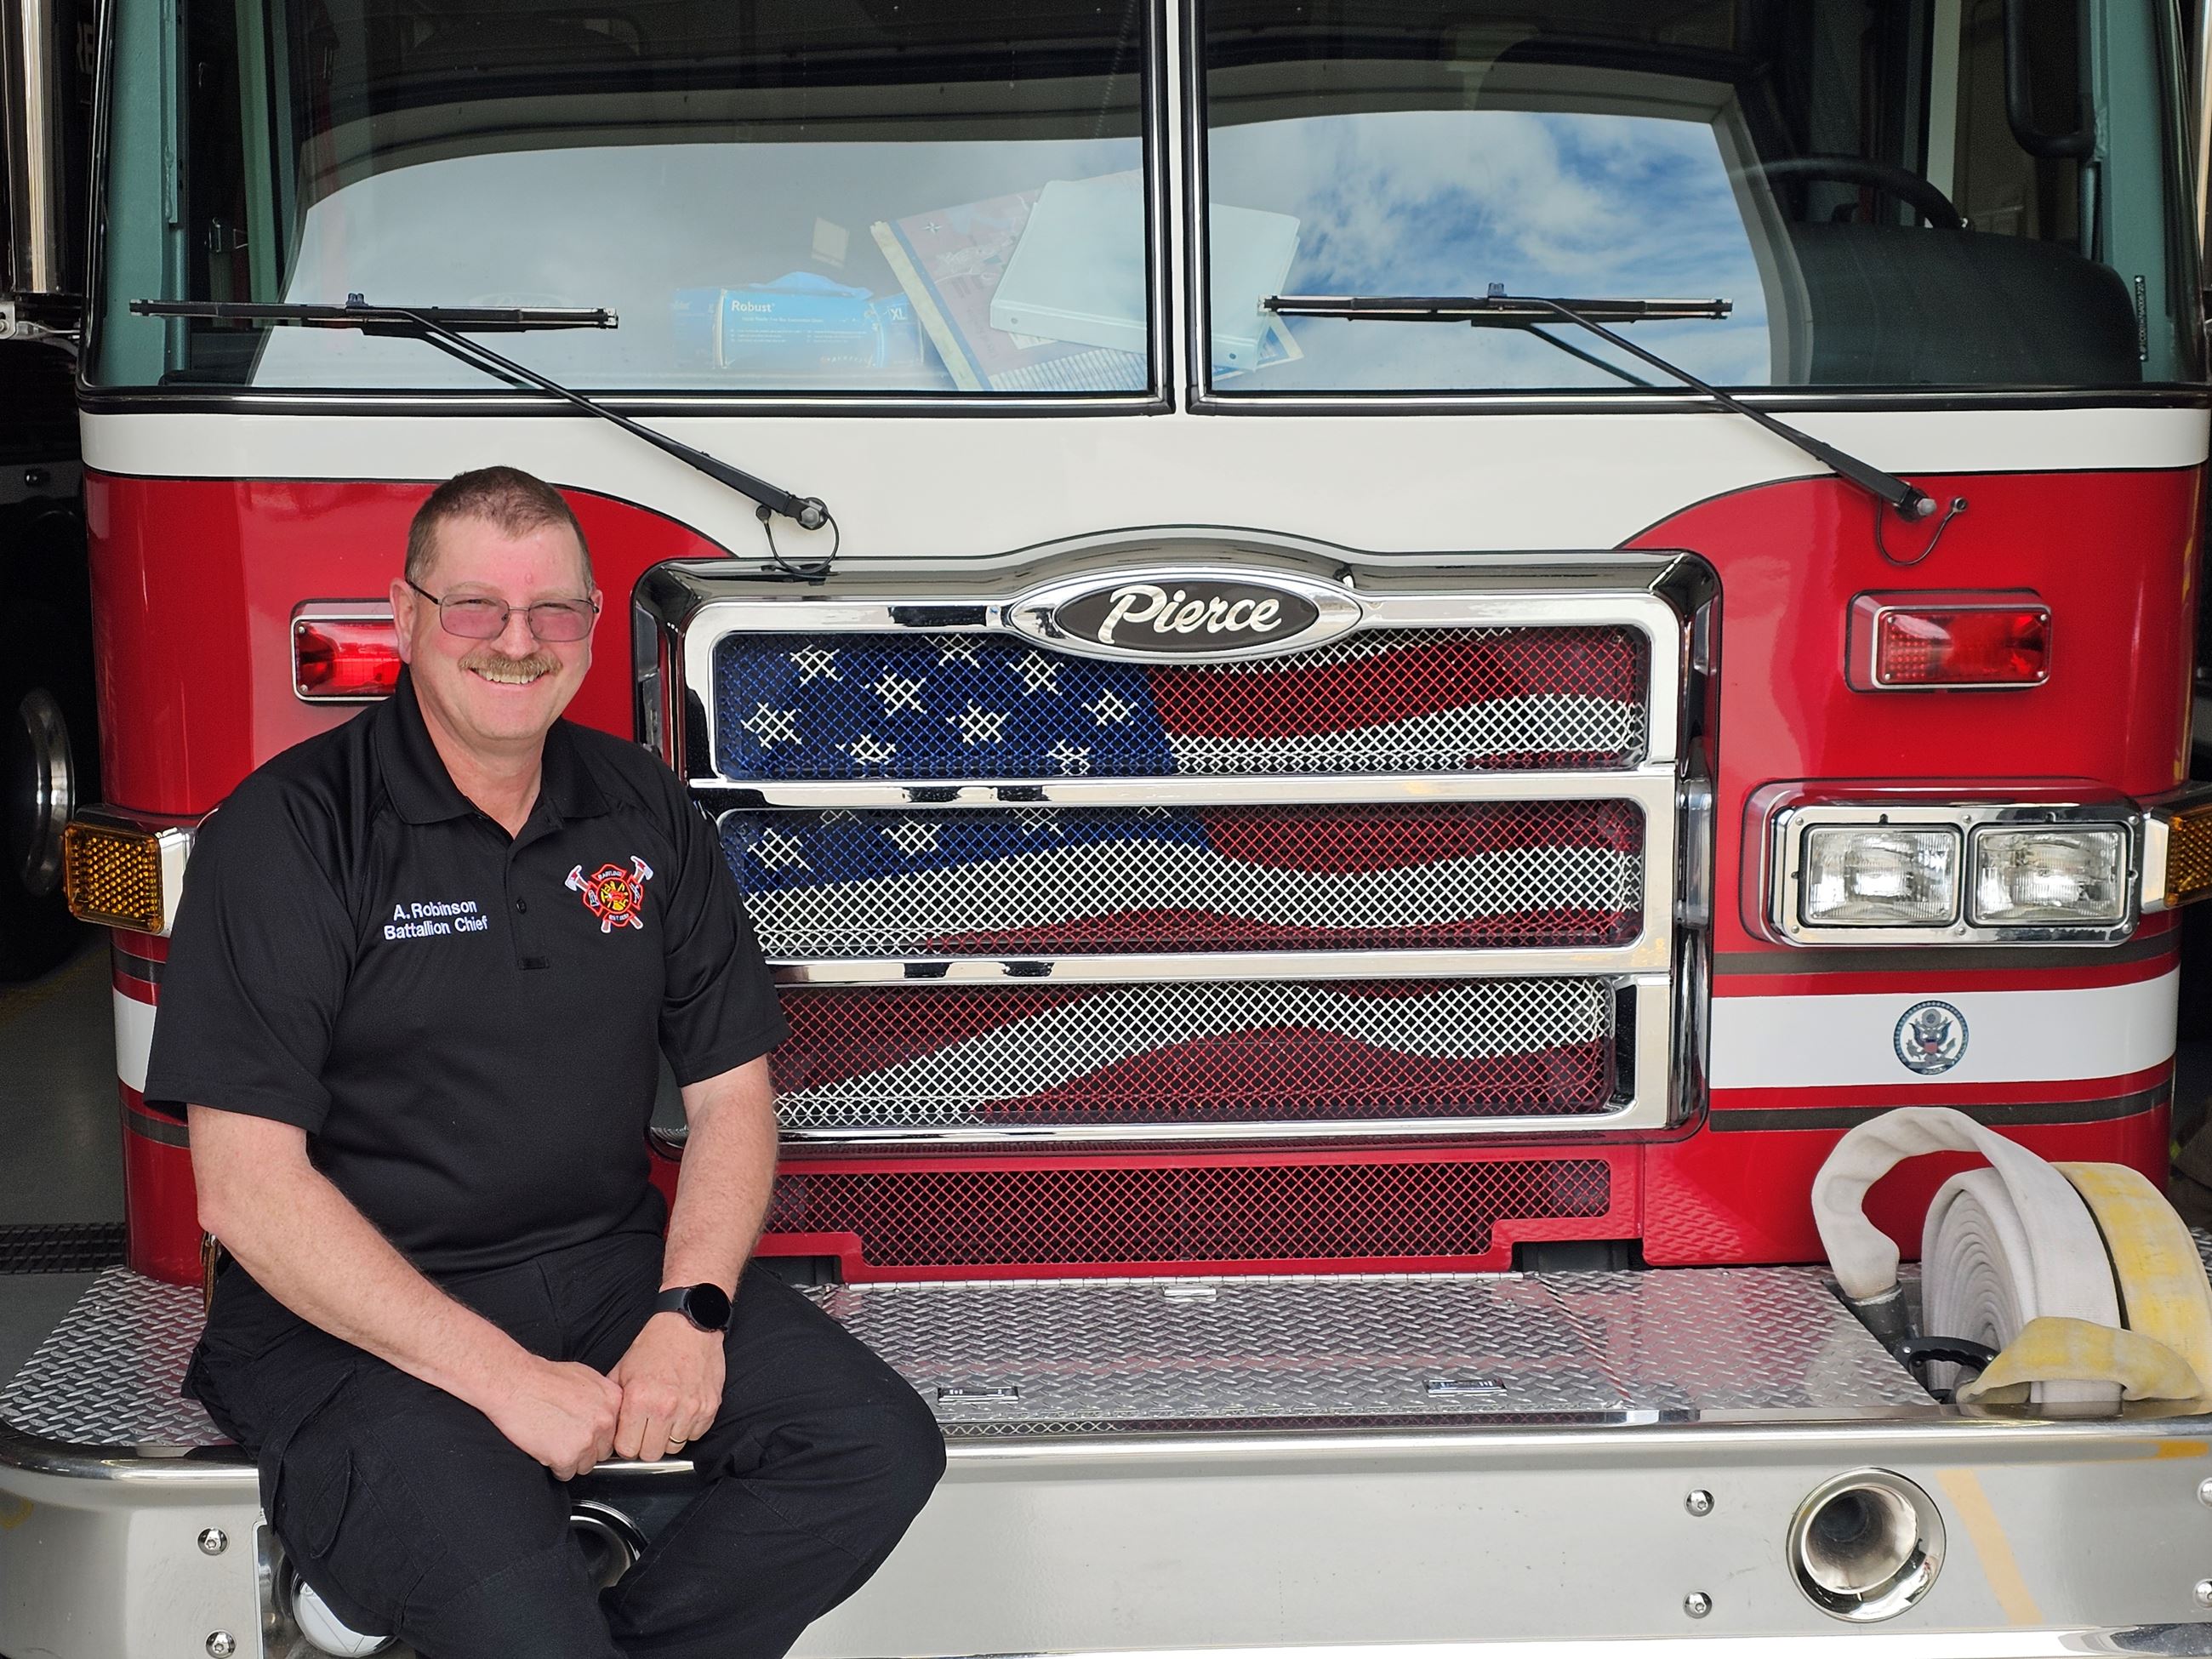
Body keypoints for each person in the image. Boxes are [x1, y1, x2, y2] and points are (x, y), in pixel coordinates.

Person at [145, 465, 944, 1659]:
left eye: (553, 612)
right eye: (475, 607)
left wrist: (691, 1310)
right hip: (351, 1322)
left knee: (876, 1445)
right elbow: (246, 1187)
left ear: (587, 627)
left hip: (604, 1270)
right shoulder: (289, 833)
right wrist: (507, 1381)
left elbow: (732, 1100)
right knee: (527, 1613)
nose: (516, 644)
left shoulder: (644, 808)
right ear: (407, 617)